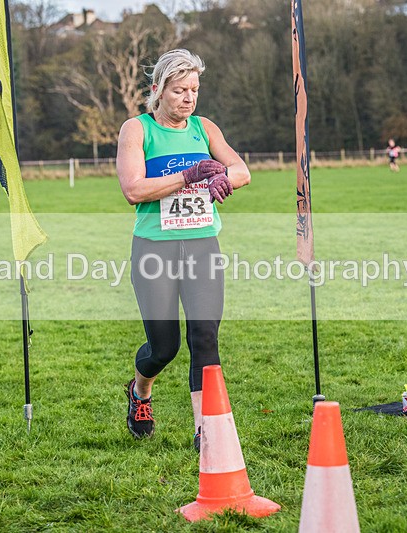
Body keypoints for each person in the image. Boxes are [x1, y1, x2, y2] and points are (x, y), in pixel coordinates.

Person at [116, 49, 250, 449]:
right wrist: (188, 175)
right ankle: (140, 392)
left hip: (202, 244)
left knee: (205, 336)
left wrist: (222, 180)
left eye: (194, 90)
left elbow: (241, 169)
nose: (189, 98)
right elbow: (133, 189)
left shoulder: (204, 128)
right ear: (158, 90)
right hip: (155, 249)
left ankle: (203, 429)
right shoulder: (136, 130)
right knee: (164, 347)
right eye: (180, 90)